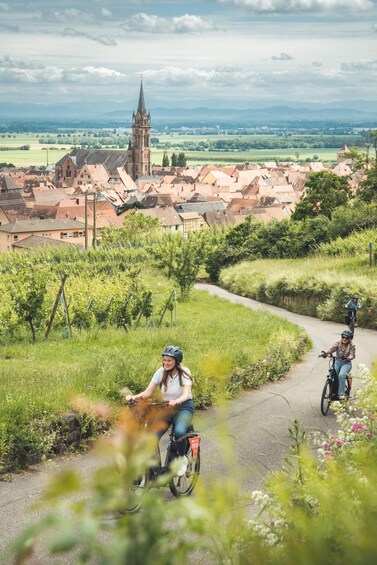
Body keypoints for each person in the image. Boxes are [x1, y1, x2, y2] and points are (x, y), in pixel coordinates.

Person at [126, 345, 194, 477]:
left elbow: (186, 394)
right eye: (164, 360)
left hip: (184, 407)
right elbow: (148, 392)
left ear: (176, 361)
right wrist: (133, 397)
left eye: (169, 360)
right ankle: (154, 471)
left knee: (179, 432)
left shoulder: (185, 372)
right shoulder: (160, 372)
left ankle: (181, 459)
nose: (166, 363)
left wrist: (177, 401)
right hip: (166, 408)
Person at [319, 329, 355, 399]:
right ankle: (333, 392)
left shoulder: (352, 346)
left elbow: (352, 354)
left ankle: (341, 394)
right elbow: (331, 349)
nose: (344, 339)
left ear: (350, 339)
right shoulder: (338, 343)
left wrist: (350, 357)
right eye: (343, 337)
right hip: (337, 362)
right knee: (333, 373)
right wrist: (324, 353)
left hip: (346, 364)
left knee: (341, 375)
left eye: (346, 338)